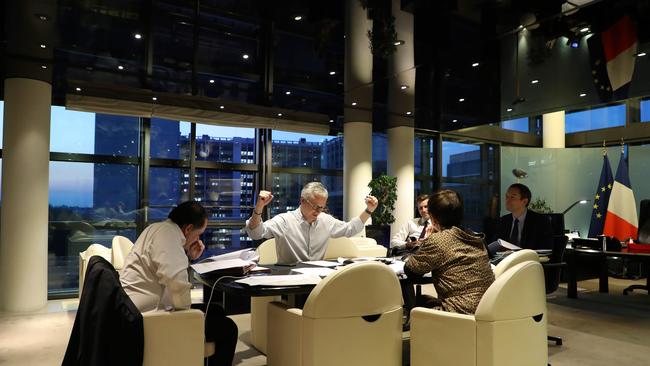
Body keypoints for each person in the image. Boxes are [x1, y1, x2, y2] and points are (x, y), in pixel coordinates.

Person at [120, 201, 237, 366]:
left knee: (216, 310)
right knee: (228, 328)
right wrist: (194, 318)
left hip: (133, 308)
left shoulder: (158, 229)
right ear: (188, 229)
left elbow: (167, 272)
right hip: (144, 320)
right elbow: (179, 291)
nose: (198, 239)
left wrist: (188, 256)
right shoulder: (169, 238)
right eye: (198, 234)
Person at [404, 189, 495, 315]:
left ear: (433, 218)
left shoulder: (438, 240)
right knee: (426, 300)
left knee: (417, 303)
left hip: (460, 313)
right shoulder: (475, 237)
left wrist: (429, 239)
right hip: (489, 308)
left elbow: (411, 270)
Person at [245, 181, 379, 264]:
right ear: (302, 200)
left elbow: (350, 228)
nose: (318, 211)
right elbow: (255, 233)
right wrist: (259, 207)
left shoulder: (325, 220)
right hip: (290, 280)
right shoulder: (285, 220)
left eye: (322, 207)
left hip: (317, 279)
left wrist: (369, 210)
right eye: (315, 206)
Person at [488, 183, 553, 256]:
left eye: (512, 197)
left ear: (524, 201)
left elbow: (545, 249)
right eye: (507, 197)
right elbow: (495, 245)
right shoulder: (503, 221)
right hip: (506, 262)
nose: (507, 200)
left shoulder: (541, 221)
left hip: (529, 262)